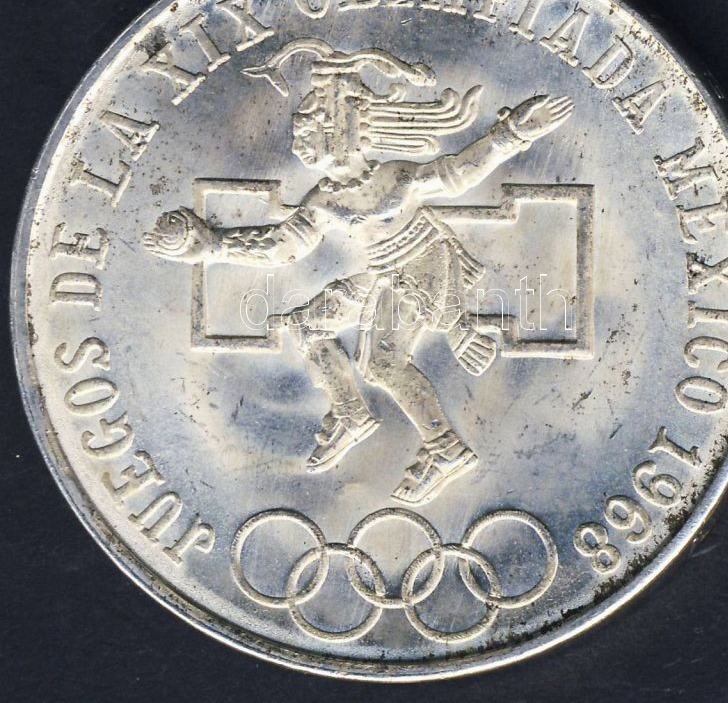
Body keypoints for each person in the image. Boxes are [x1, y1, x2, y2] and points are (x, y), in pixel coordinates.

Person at [144, 39, 573, 506]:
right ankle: (350, 414)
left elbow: (458, 173)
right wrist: (215, 245)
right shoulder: (324, 199)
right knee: (310, 324)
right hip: (385, 275)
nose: (298, 138)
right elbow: (283, 247)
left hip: (422, 271)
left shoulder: (396, 177)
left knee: (382, 363)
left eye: (308, 126)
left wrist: (511, 133)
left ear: (340, 127)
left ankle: (445, 450)